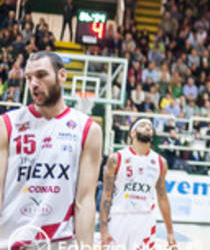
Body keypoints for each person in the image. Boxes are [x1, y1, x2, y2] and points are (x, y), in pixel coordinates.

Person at [0, 51, 103, 248]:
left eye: (41, 75)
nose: (33, 83)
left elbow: (84, 201)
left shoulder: (88, 129)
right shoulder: (7, 124)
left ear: (62, 76)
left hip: (59, 241)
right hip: (11, 241)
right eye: (29, 78)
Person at [100, 118, 176, 250]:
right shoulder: (116, 158)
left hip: (145, 220)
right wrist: (103, 229)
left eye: (150, 126)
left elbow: (163, 197)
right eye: (142, 125)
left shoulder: (160, 162)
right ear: (132, 133)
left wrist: (170, 232)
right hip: (119, 217)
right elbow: (106, 195)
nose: (148, 127)